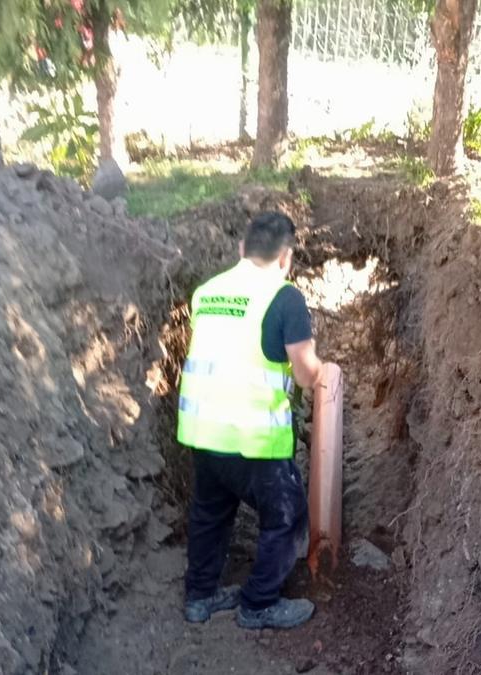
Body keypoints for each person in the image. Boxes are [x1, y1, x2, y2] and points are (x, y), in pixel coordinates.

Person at [177, 211, 326, 630]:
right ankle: (258, 603)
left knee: (210, 512)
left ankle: (200, 596)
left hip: (204, 430)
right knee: (288, 516)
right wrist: (322, 373)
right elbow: (303, 371)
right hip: (253, 437)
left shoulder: (207, 292)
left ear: (241, 249)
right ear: (286, 258)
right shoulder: (284, 297)